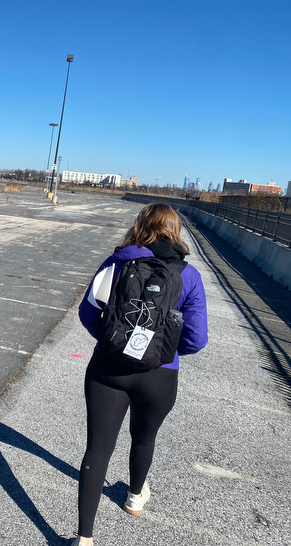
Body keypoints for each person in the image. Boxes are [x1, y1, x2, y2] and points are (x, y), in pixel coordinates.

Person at [74, 203, 208, 546]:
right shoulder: (189, 276)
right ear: (175, 231)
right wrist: (165, 352)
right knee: (144, 438)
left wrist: (112, 342)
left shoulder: (116, 263)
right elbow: (197, 338)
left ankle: (84, 539)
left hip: (108, 370)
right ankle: (135, 497)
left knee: (98, 450)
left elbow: (88, 312)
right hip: (159, 375)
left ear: (140, 226)